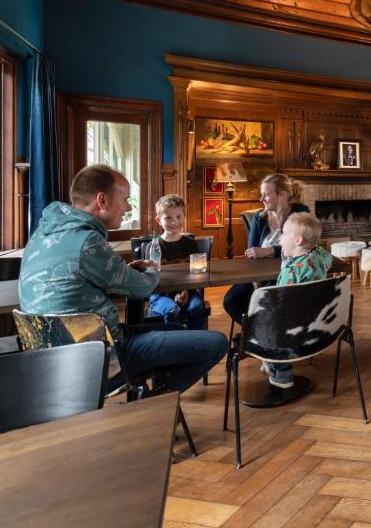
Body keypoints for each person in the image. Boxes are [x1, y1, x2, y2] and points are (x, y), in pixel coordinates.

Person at [18, 164, 227, 393]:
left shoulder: (40, 236)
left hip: (51, 361)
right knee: (216, 342)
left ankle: (149, 399)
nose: (127, 207)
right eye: (125, 198)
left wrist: (123, 271)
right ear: (102, 200)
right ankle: (156, 403)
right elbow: (142, 288)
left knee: (176, 327)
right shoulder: (88, 241)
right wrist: (151, 270)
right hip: (102, 357)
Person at [223, 173, 309, 324]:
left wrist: (269, 251)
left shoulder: (300, 213)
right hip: (259, 273)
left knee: (267, 299)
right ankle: (256, 332)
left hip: (288, 273)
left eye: (266, 194)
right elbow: (252, 251)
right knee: (231, 300)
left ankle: (268, 333)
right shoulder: (259, 217)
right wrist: (255, 280)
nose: (261, 199)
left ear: (282, 195)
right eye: (261, 194)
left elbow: (300, 245)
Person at [263, 213, 334, 388]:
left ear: (298, 240)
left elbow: (279, 303)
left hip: (294, 330)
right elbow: (328, 258)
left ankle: (282, 371)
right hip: (318, 325)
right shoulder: (320, 257)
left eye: (284, 234)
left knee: (268, 320)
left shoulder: (291, 272)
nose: (280, 239)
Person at [147, 194, 206, 331]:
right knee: (174, 310)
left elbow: (196, 273)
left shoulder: (190, 244)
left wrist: (186, 291)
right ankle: (175, 346)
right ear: (158, 220)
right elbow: (151, 277)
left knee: (197, 308)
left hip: (188, 292)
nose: (174, 222)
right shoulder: (154, 247)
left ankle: (196, 344)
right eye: (168, 218)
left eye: (178, 217)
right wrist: (174, 296)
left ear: (184, 217)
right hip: (160, 295)